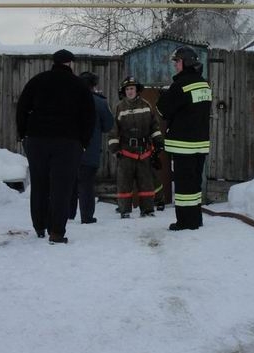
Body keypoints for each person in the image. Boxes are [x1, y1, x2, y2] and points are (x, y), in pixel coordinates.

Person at [16, 49, 95, 244]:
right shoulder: (79, 85)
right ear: (70, 64)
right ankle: (56, 231)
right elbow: (89, 117)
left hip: (36, 140)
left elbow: (22, 108)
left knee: (39, 183)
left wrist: (23, 134)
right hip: (68, 142)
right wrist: (83, 143)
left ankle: (39, 226)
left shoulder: (37, 81)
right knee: (62, 186)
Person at [156, 46, 212, 231]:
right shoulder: (204, 84)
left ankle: (184, 222)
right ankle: (195, 219)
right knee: (194, 184)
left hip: (183, 145)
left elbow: (162, 109)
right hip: (200, 144)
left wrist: (164, 96)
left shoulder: (181, 85)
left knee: (183, 186)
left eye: (177, 62)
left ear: (186, 62)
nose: (175, 66)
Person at [108, 76, 164, 218]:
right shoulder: (119, 107)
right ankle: (124, 210)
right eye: (127, 89)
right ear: (124, 91)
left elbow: (154, 126)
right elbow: (113, 130)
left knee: (146, 182)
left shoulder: (146, 105)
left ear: (137, 90)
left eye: (132, 88)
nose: (130, 91)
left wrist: (158, 142)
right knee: (124, 183)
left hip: (144, 150)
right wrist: (115, 149)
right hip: (126, 152)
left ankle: (148, 210)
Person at [69, 71, 114, 223]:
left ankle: (68, 214)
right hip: (90, 149)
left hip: (69, 149)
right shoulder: (99, 102)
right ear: (94, 85)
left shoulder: (69, 100)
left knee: (70, 181)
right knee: (86, 183)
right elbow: (108, 125)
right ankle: (87, 216)